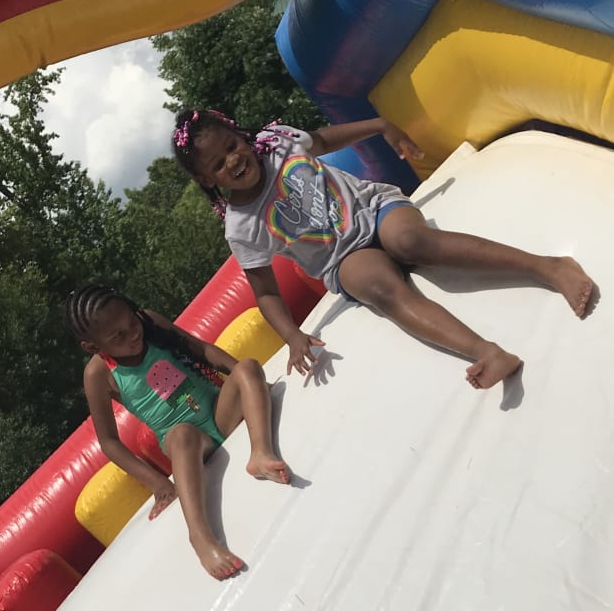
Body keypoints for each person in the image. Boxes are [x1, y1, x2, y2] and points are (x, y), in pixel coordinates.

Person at [172, 109, 595, 389]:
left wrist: (379, 125)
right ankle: (487, 351)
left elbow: (322, 140)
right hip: (341, 258)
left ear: (241, 135)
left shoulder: (278, 142)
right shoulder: (241, 226)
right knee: (377, 286)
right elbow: (265, 290)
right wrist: (292, 335)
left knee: (410, 241)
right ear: (208, 180)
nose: (232, 160)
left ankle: (549, 267)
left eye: (232, 146)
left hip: (372, 209)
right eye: (217, 164)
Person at [65, 283, 290, 579]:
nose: (132, 334)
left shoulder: (149, 322)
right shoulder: (98, 374)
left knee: (248, 367)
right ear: (93, 347)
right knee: (183, 434)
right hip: (186, 439)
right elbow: (109, 442)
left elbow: (201, 349)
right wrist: (158, 483)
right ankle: (201, 537)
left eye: (131, 322)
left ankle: (261, 452)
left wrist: (251, 383)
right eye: (118, 336)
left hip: (219, 412)